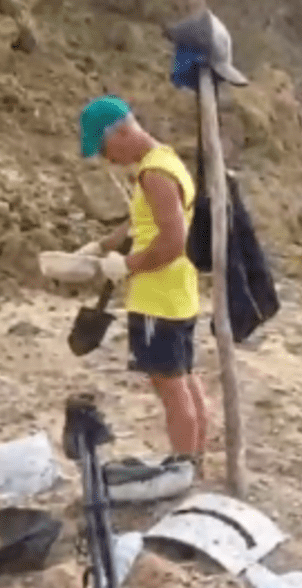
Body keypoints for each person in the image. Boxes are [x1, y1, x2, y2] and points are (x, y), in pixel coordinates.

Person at [72, 95, 209, 475]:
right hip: (179, 290)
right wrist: (103, 246)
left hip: (158, 297)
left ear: (120, 132)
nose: (107, 158)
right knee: (186, 378)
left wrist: (125, 265)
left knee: (170, 386)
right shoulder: (162, 161)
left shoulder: (154, 175)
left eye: (104, 147)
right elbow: (143, 223)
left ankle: (184, 467)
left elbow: (172, 240)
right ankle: (195, 460)